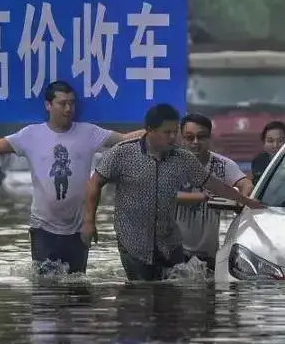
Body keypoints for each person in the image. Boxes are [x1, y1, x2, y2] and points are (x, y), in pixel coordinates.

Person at [0, 81, 143, 274]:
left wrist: (154, 129)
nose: (68, 109)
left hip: (78, 226)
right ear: (48, 105)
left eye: (71, 103)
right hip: (43, 226)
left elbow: (124, 139)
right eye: (62, 103)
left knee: (77, 284)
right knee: (45, 286)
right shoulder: (31, 134)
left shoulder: (88, 132)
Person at [82, 104, 264, 281]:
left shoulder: (183, 158)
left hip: (169, 242)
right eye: (167, 132)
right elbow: (94, 184)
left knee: (175, 291)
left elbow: (213, 184)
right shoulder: (122, 153)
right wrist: (89, 221)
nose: (172, 137)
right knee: (140, 292)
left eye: (174, 132)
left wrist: (245, 200)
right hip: (133, 241)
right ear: (150, 130)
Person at [175, 113, 254, 269]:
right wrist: (198, 197)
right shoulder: (169, 164)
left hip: (209, 254)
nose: (195, 142)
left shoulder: (222, 165)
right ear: (181, 139)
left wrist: (240, 201)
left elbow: (246, 184)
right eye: (189, 137)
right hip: (174, 251)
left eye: (201, 137)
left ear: (209, 138)